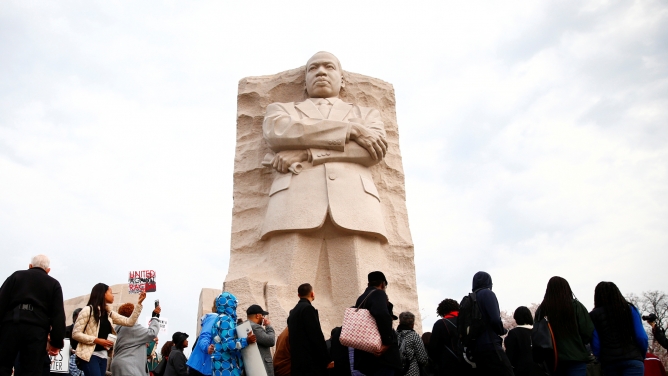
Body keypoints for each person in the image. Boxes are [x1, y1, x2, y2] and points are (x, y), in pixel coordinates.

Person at [244, 51, 390, 336]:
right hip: (295, 203)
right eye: (314, 68)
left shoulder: (367, 115)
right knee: (285, 293)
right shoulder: (282, 111)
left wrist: (307, 152)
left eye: (329, 67)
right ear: (305, 80)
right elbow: (279, 133)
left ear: (342, 79)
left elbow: (371, 151)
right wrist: (349, 129)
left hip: (354, 205)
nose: (321, 72)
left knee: (359, 294)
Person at [0, 255, 65, 376]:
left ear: (30, 266)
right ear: (48, 270)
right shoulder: (54, 284)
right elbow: (58, 316)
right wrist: (56, 343)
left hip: (12, 325)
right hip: (37, 331)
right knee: (32, 370)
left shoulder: (16, 276)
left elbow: (1, 301)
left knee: (2, 366)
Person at [72, 283, 146, 376]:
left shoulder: (109, 313)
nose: (113, 295)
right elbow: (76, 333)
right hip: (89, 355)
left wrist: (139, 303)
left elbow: (129, 322)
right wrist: (97, 340)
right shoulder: (88, 310)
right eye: (110, 292)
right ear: (103, 294)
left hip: (103, 356)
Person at [534, 276, 594, 376]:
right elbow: (587, 331)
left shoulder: (541, 310)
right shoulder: (576, 306)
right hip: (576, 356)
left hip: (552, 361)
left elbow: (537, 335)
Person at [459, 271, 513, 376]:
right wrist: (501, 330)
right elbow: (495, 320)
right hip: (491, 345)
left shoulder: (471, 298)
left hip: (476, 349)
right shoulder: (487, 293)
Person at [589, 281, 648, 376]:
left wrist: (601, 358)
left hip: (609, 362)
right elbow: (641, 337)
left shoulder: (593, 315)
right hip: (633, 359)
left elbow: (596, 344)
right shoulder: (630, 309)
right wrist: (641, 355)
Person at [353, 271, 402, 376]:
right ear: (383, 284)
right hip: (382, 358)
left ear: (368, 284)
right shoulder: (378, 293)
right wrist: (387, 342)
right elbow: (382, 314)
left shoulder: (361, 298)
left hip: (366, 356)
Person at [287, 283, 331, 376]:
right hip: (310, 363)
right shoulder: (308, 309)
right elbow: (316, 336)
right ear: (312, 294)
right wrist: (326, 359)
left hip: (297, 362)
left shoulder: (293, 311)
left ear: (298, 295)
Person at [110, 302, 162, 376]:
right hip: (129, 366)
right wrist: (155, 316)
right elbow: (152, 332)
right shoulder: (132, 327)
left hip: (118, 365)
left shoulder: (118, 328)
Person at [211, 292, 256, 376]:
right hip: (227, 365)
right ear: (229, 305)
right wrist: (246, 341)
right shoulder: (226, 319)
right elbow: (227, 345)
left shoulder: (218, 319)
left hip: (219, 365)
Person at [428, 298, 467, 375]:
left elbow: (433, 349)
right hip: (470, 361)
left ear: (441, 311)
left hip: (450, 365)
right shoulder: (467, 320)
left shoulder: (440, 324)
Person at [504, 306, 544, 376]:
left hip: (520, 370)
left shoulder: (513, 333)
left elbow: (509, 355)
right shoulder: (538, 331)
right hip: (539, 370)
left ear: (516, 319)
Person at [186, 301, 218, 376]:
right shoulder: (214, 317)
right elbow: (205, 336)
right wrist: (207, 347)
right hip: (202, 367)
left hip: (203, 366)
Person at [246, 304, 276, 376]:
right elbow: (271, 341)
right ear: (257, 315)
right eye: (263, 315)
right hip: (262, 368)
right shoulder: (255, 327)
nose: (263, 318)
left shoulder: (245, 326)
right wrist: (268, 326)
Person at [397, 311, 428, 376]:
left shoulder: (394, 335)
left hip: (396, 371)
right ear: (412, 325)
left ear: (399, 323)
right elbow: (422, 359)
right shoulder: (414, 336)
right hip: (411, 372)